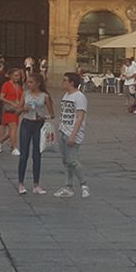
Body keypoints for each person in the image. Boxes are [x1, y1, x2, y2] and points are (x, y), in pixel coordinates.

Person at [54, 71, 90, 199]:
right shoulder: (66, 95)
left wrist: (73, 135)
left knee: (72, 160)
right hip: (63, 130)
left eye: (65, 80)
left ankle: (84, 184)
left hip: (72, 132)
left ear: (72, 83)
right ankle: (68, 186)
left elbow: (80, 117)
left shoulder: (79, 97)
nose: (62, 82)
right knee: (66, 161)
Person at [16, 72, 52, 195]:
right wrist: (22, 109)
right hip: (26, 123)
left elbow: (52, 114)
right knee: (24, 155)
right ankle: (21, 183)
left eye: (31, 82)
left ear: (38, 84)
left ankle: (36, 184)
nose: (28, 84)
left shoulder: (45, 96)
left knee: (37, 154)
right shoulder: (25, 94)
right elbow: (17, 111)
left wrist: (43, 116)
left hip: (38, 125)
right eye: (28, 82)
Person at [0, 67, 24, 156]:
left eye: (19, 76)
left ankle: (0, 141)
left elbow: (22, 97)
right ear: (10, 76)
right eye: (16, 76)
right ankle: (14, 147)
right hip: (9, 109)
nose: (18, 77)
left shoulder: (19, 86)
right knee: (13, 129)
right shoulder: (6, 85)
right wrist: (11, 103)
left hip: (16, 110)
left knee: (12, 131)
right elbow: (1, 97)